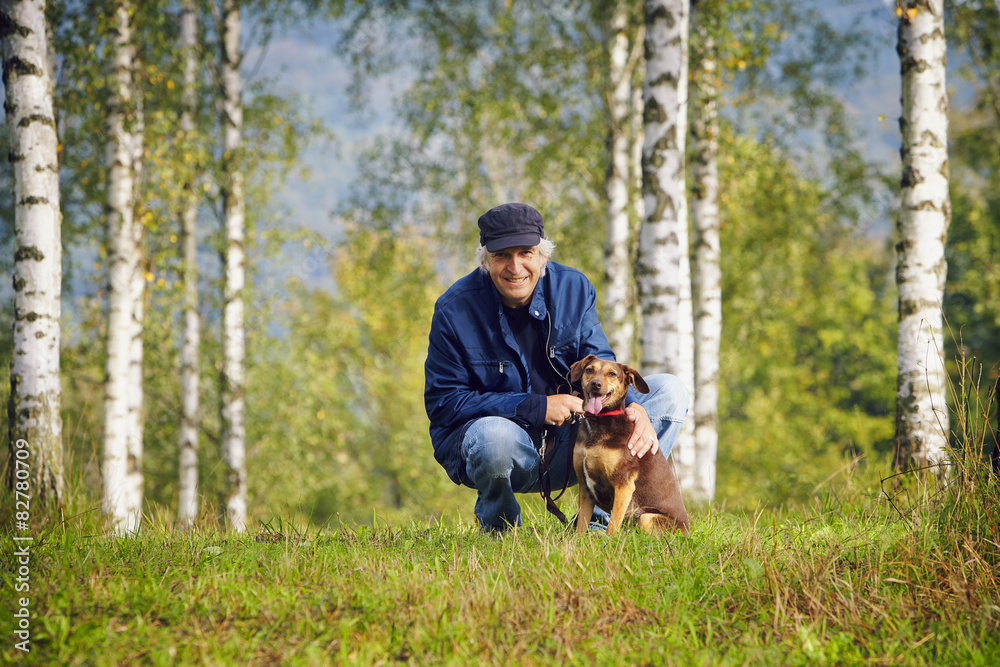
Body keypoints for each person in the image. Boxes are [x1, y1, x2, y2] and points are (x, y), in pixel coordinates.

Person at [424, 202, 689, 532]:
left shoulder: (574, 289)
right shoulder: (454, 310)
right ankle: (500, 528)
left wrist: (635, 410)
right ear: (484, 259)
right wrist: (535, 407)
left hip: (577, 442)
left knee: (669, 391)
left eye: (526, 253)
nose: (515, 266)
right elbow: (444, 404)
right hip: (507, 449)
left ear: (543, 256)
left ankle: (599, 524)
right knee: (491, 436)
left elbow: (602, 365)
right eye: (502, 255)